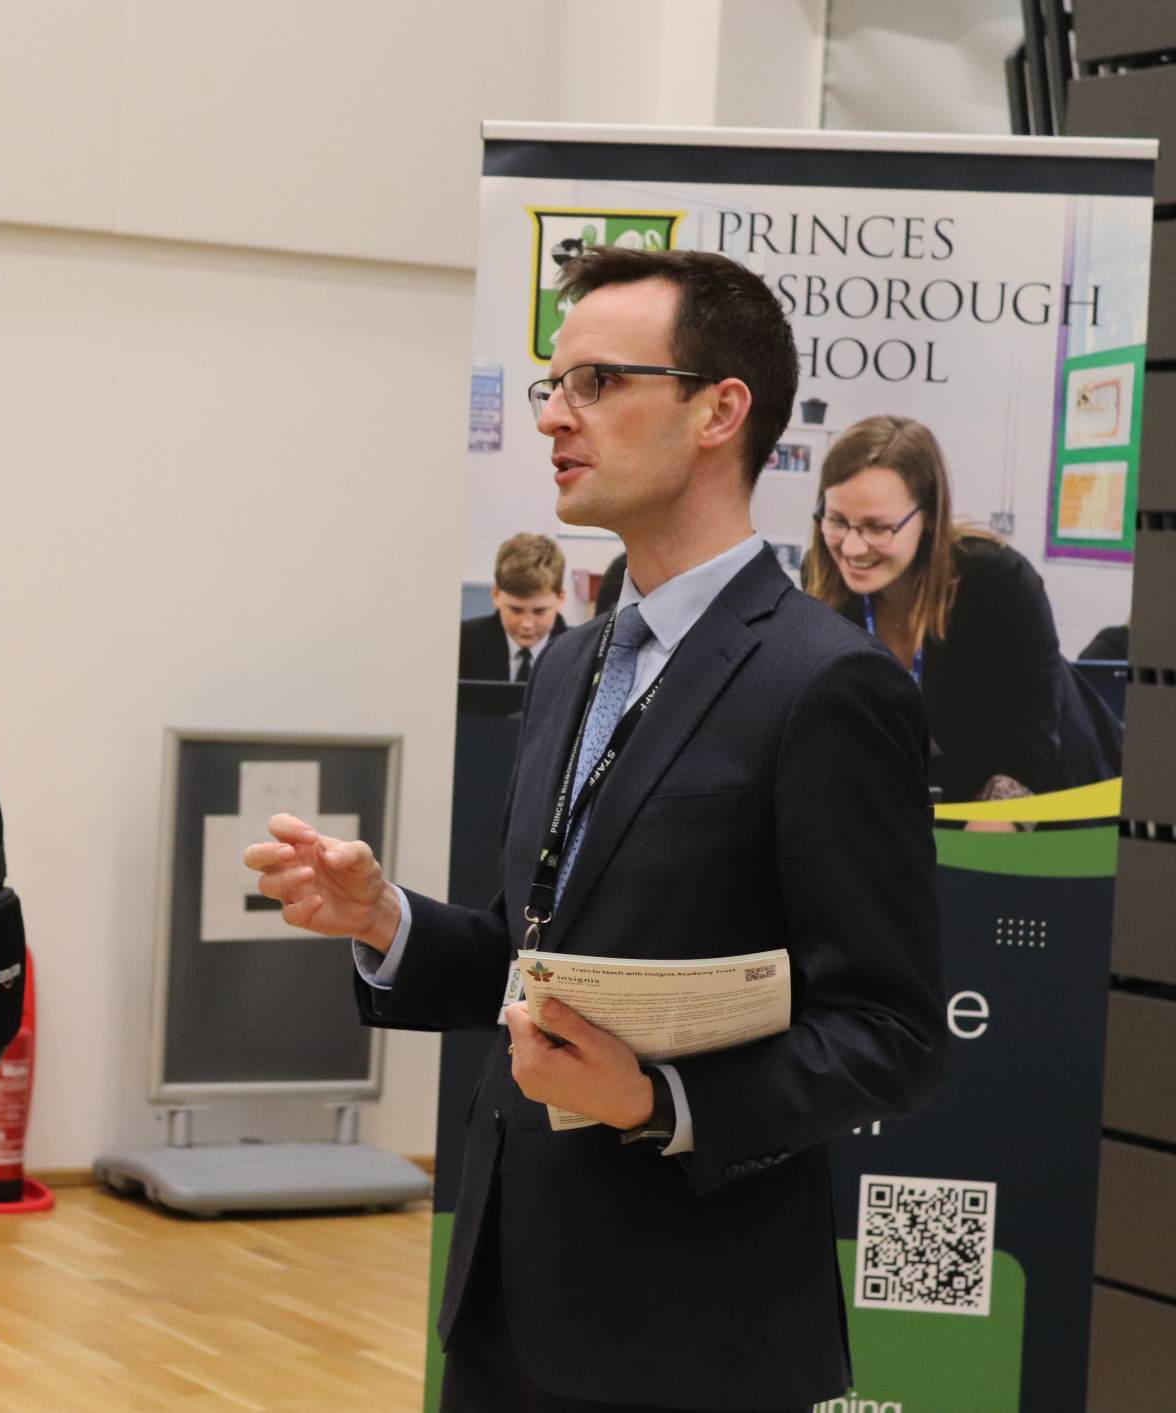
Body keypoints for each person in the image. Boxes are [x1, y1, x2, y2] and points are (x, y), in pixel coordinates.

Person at [246, 247, 946, 1412]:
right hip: (506, 1296)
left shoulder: (827, 683)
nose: (553, 418)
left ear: (720, 411)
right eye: (552, 385)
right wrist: (385, 919)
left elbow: (893, 1033)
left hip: (696, 1337)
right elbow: (540, 958)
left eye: (598, 383)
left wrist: (659, 1102)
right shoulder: (572, 665)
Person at [801, 414, 1115, 802]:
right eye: (836, 520)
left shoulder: (997, 582)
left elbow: (1026, 762)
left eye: (878, 527)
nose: (851, 547)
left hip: (1066, 793)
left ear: (930, 516)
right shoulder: (826, 579)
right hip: (952, 788)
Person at [458, 532, 568, 680]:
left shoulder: (582, 653)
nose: (526, 624)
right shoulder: (461, 643)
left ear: (561, 599)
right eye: (516, 610)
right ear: (496, 595)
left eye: (539, 611)